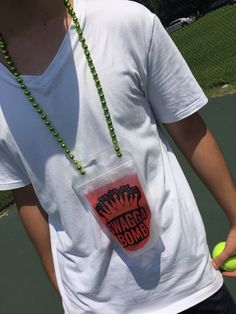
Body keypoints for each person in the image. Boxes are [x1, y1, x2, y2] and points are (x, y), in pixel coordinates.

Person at [0, 0, 235, 313]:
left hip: (190, 289)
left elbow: (189, 130)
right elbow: (27, 195)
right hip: (92, 305)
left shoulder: (123, 21)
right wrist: (63, 291)